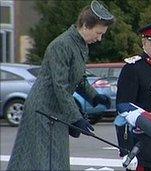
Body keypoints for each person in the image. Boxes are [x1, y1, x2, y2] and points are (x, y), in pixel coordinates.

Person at [7, 1, 114, 170]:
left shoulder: (80, 45)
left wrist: (95, 97)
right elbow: (60, 86)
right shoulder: (61, 45)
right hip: (42, 110)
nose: (99, 38)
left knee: (56, 158)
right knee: (41, 161)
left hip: (56, 109)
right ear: (86, 25)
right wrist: (76, 118)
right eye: (98, 33)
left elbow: (79, 79)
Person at [115, 22, 151, 171]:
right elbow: (123, 108)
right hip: (141, 144)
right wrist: (126, 150)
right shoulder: (133, 68)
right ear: (144, 43)